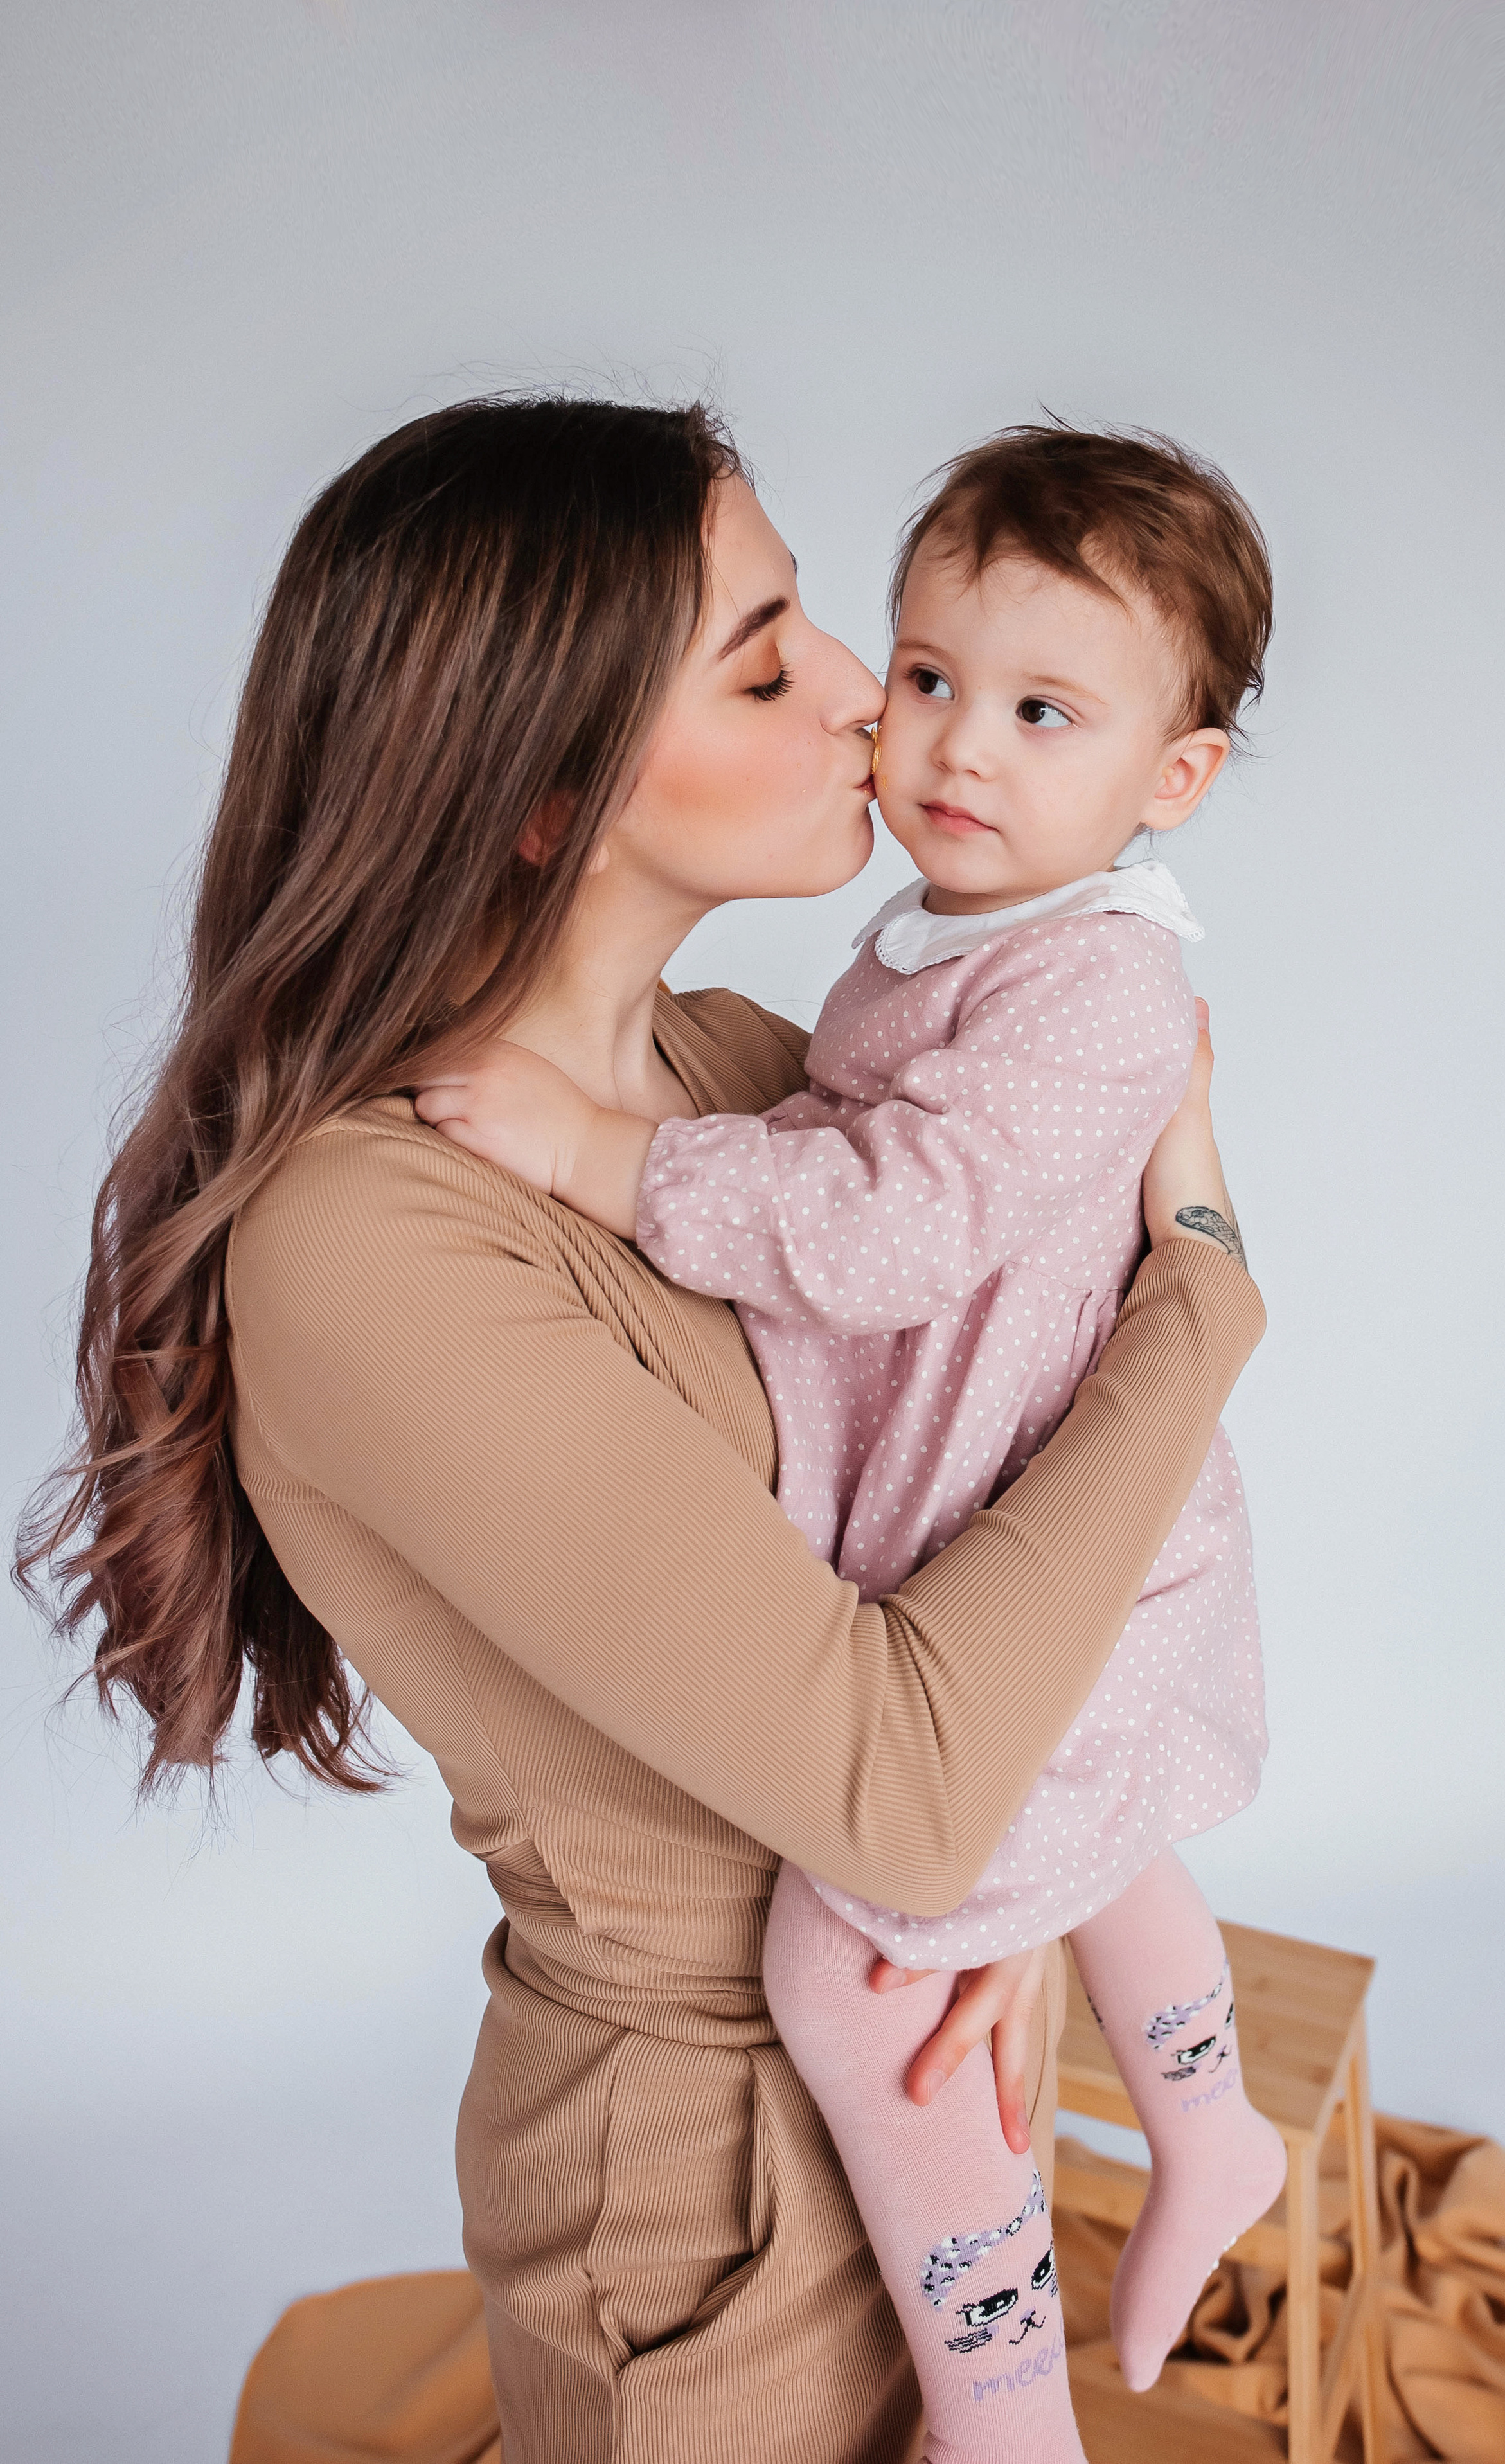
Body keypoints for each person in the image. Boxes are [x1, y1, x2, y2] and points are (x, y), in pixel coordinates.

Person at [18, 397, 1266, 2464]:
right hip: (711, 2230)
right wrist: (1210, 1300)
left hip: (928, 2057)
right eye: (774, 659)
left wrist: (1039, 1907)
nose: (877, 697)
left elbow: (1004, 1420)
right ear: (539, 791)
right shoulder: (374, 1241)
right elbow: (908, 1781)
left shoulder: (747, 1074)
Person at [416, 425, 1285, 2452]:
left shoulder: (1096, 995)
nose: (952, 749)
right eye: (926, 677)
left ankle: (1004, 2407)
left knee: (851, 1946)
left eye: (1044, 711)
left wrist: (623, 1162)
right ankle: (1210, 2117)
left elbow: (893, 1228)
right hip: (985, 1509)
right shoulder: (933, 944)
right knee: (1104, 1821)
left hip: (1051, 1524)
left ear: (1175, 781)